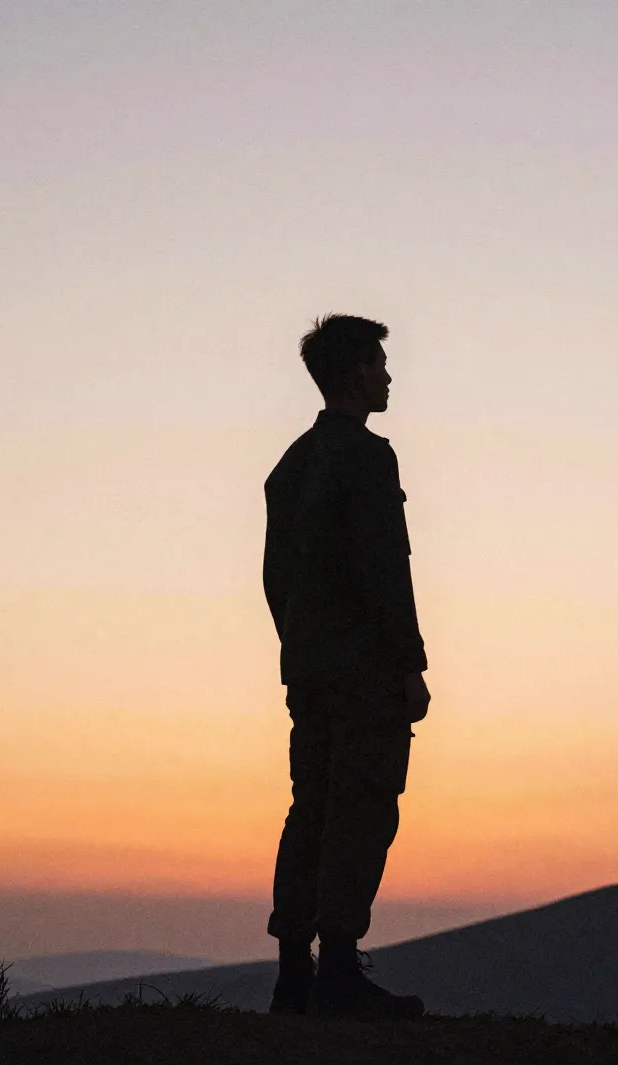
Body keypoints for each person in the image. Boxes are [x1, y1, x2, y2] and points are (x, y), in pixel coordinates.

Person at [261, 314, 430, 1019]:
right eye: (378, 363)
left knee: (312, 807)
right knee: (359, 806)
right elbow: (382, 570)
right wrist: (407, 662)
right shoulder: (365, 458)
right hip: (362, 674)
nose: (388, 376)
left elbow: (275, 580)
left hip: (310, 670)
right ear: (353, 372)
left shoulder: (292, 465)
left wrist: (300, 647)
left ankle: (294, 976)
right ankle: (336, 973)